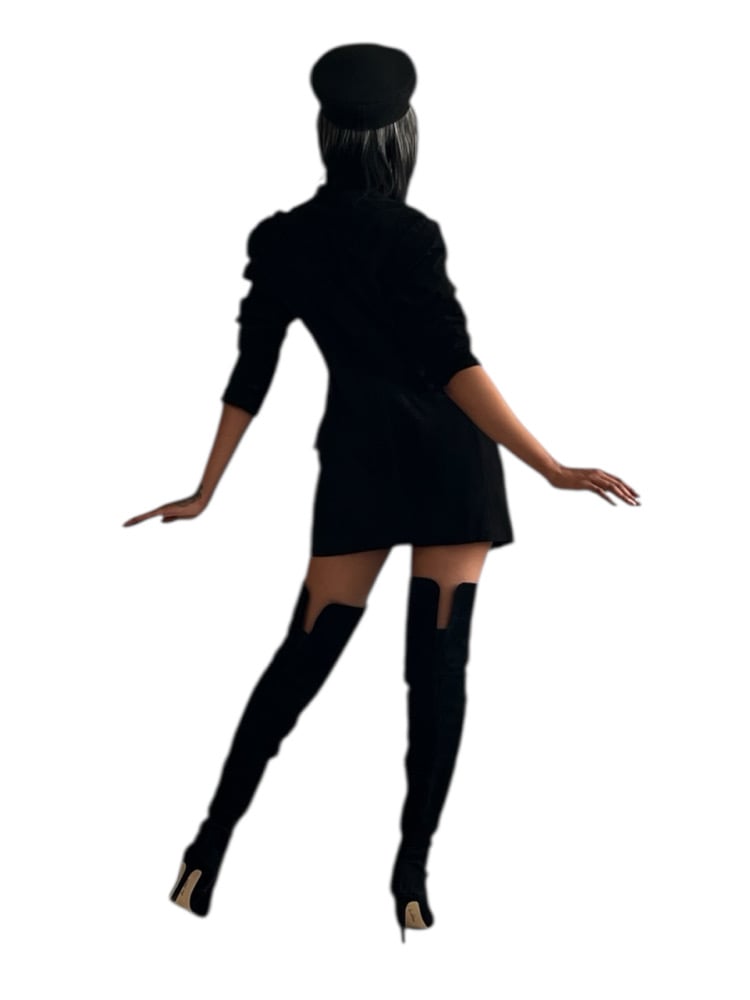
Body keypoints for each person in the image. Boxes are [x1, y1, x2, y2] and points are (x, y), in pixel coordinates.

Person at [123, 42, 640, 941]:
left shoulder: (281, 239)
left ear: (326, 135)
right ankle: (410, 879)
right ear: (403, 138)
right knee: (436, 671)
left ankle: (204, 853)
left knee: (300, 659)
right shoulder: (411, 234)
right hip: (450, 466)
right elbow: (452, 363)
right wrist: (550, 466)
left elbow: (252, 370)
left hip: (359, 462)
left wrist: (207, 488)